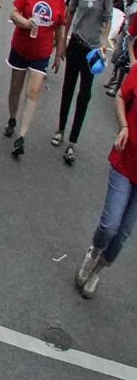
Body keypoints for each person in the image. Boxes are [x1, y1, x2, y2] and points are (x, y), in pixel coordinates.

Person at [74, 33, 137, 298]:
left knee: (122, 234)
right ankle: (94, 251)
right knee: (110, 225)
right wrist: (124, 126)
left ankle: (98, 270)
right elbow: (122, 96)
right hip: (125, 159)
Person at [5, 0, 68, 157]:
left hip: (41, 52)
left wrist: (58, 51)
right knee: (16, 88)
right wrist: (25, 22)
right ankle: (12, 118)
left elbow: (59, 25)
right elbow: (13, 12)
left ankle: (21, 137)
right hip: (21, 46)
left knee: (33, 92)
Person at [55, 0, 113, 165]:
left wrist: (104, 41)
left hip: (92, 48)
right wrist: (63, 41)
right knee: (68, 87)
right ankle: (60, 129)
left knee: (85, 94)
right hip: (76, 42)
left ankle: (73, 141)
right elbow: (70, 12)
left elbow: (108, 17)